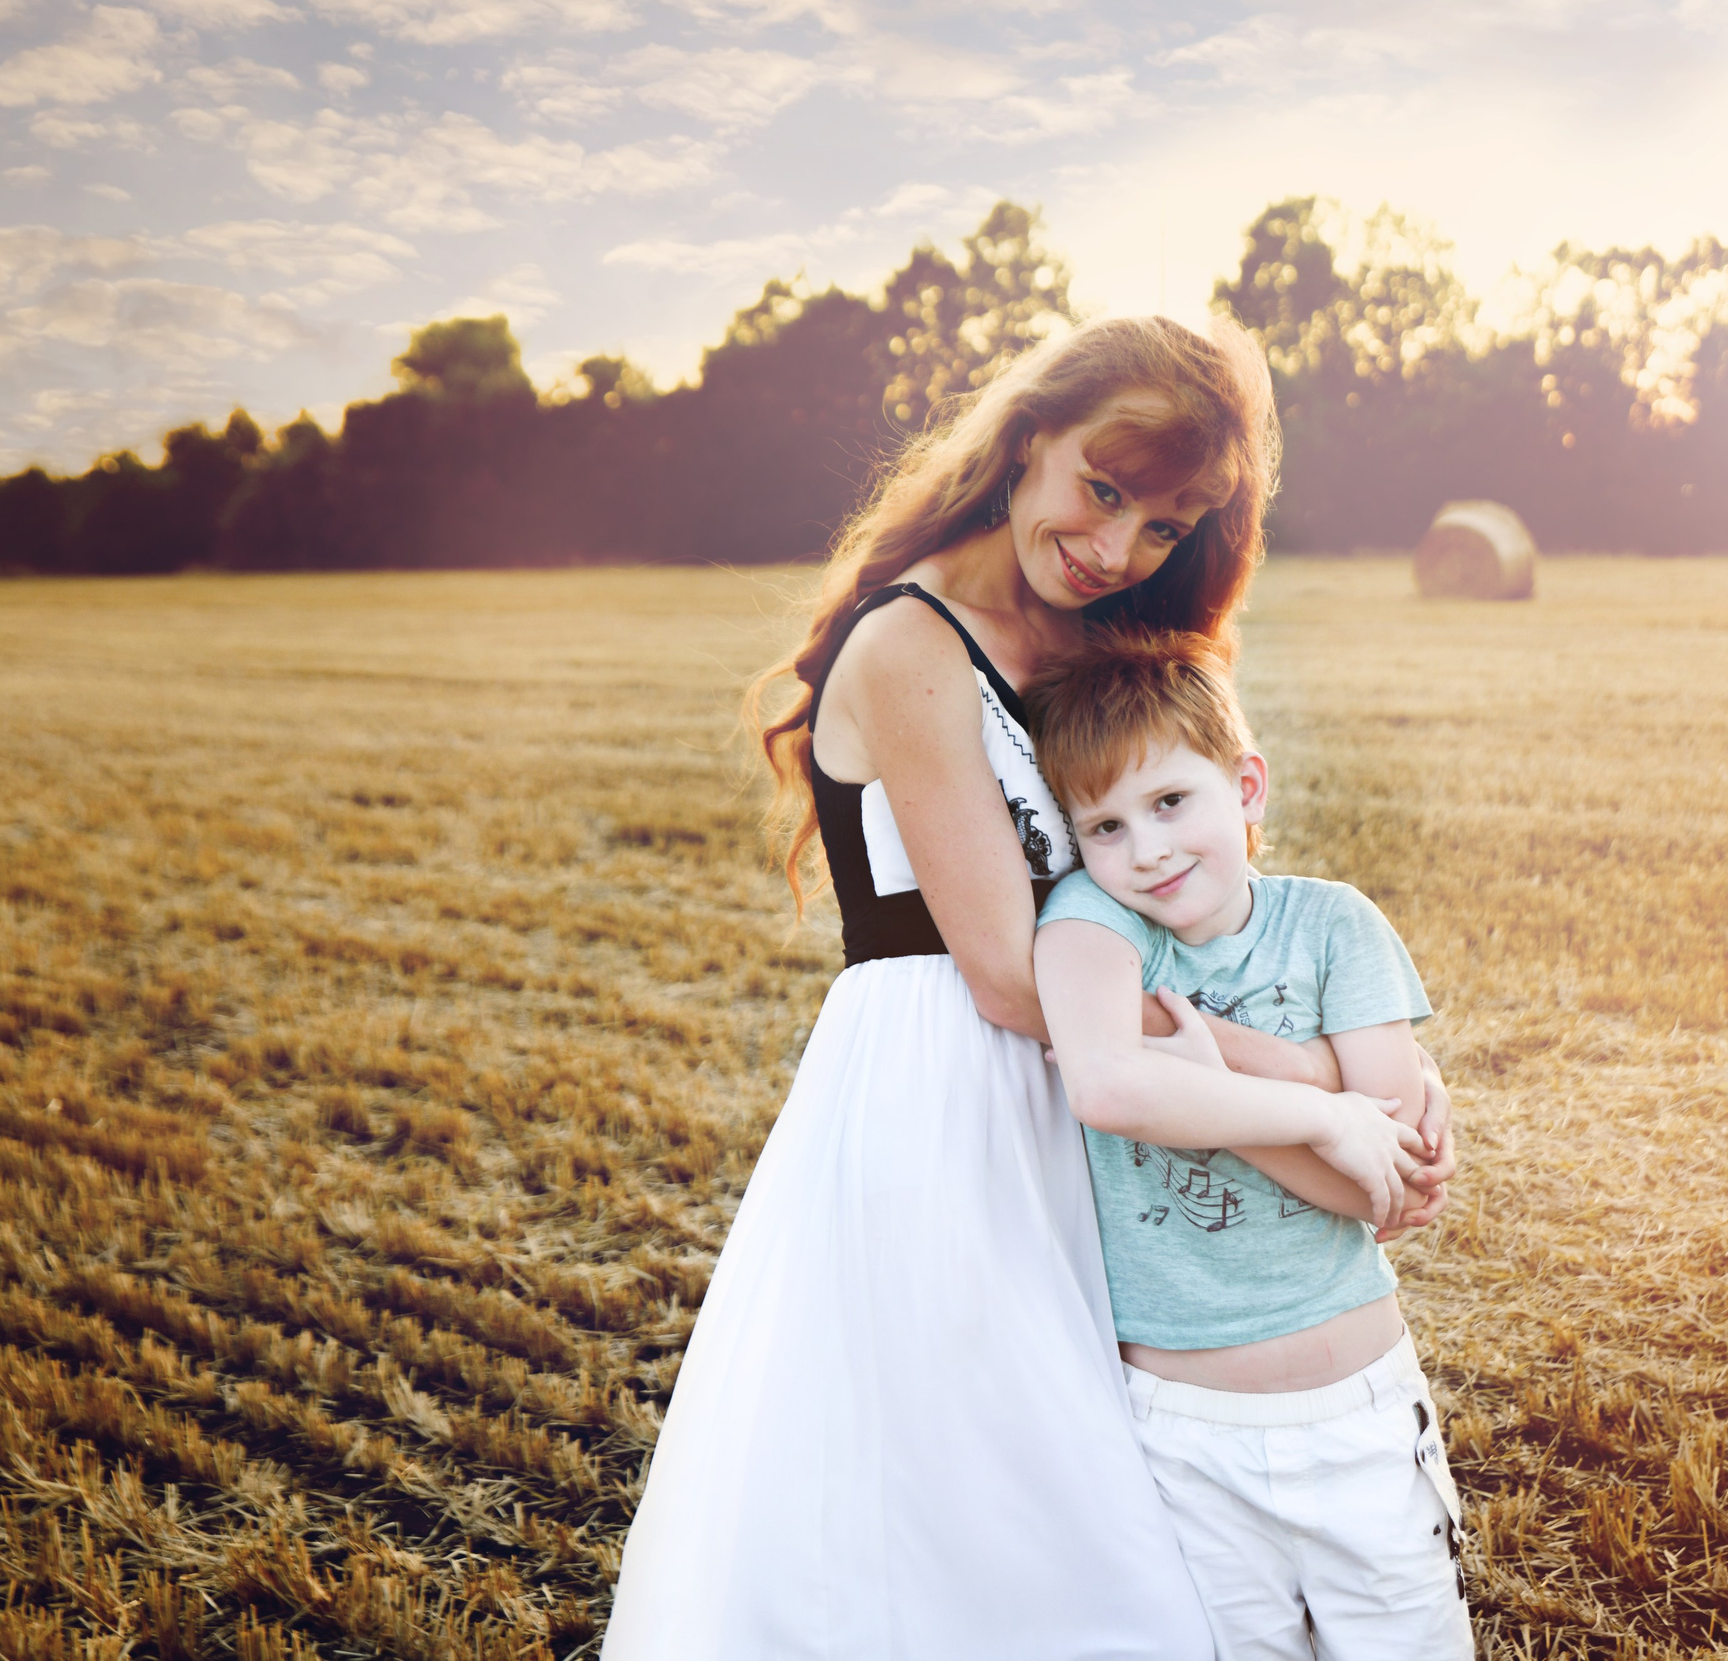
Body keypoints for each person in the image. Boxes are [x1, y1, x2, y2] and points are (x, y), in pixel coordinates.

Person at [599, 316, 1453, 1660]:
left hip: (1112, 1087)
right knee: (983, 1492)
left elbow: (1194, 888)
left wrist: (1370, 1044)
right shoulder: (908, 644)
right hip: (956, 1092)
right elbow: (1004, 975)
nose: (1118, 547)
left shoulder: (1098, 641)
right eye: (1102, 490)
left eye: (1165, 525)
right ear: (1024, 438)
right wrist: (1316, 1087)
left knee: (1130, 1482)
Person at [1027, 627, 1475, 1660]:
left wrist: (1204, 1084)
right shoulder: (1094, 922)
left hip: (1357, 1419)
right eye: (1102, 825)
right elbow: (1105, 1087)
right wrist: (1317, 1114)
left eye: (1171, 802)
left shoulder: (1333, 929)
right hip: (1179, 1433)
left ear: (1248, 788)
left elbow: (1388, 1189)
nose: (1145, 850)